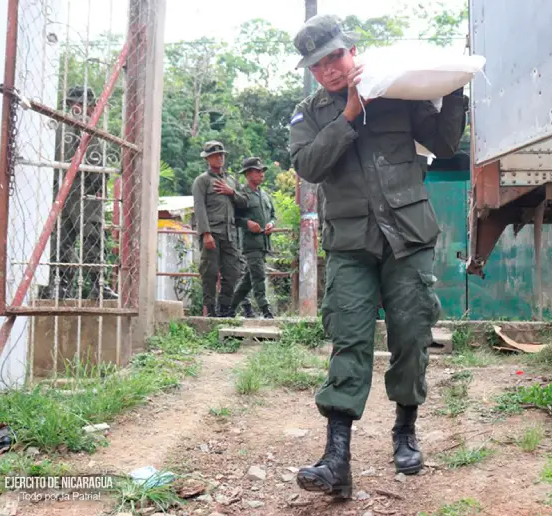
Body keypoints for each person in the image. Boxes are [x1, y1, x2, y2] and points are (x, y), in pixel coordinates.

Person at [288, 14, 467, 498]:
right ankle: (336, 459)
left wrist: (454, 90)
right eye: (318, 64)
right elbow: (309, 165)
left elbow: (445, 143)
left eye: (334, 57)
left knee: (411, 337)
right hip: (351, 246)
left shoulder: (394, 94)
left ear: (351, 51)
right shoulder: (308, 114)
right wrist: (348, 113)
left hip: (407, 238)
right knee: (349, 341)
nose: (328, 69)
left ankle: (405, 431)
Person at [40, 85, 118, 300]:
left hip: (61, 190)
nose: (94, 109)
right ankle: (97, 285)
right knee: (92, 236)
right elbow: (94, 157)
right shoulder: (83, 124)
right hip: (84, 190)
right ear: (82, 105)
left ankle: (59, 285)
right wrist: (98, 183)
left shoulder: (57, 124)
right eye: (91, 105)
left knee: (62, 239)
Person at [191, 141, 248, 317]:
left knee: (232, 272)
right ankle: (210, 311)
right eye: (215, 155)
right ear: (207, 158)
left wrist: (231, 192)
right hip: (212, 233)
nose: (220, 158)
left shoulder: (230, 181)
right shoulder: (202, 181)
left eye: (221, 154)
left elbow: (245, 203)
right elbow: (199, 208)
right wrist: (206, 234)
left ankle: (225, 309)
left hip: (230, 235)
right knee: (210, 272)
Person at [226, 157, 277, 319]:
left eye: (262, 171)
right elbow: (234, 217)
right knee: (259, 276)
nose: (261, 174)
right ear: (248, 174)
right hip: (251, 244)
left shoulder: (265, 195)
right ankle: (266, 310)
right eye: (257, 171)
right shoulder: (242, 195)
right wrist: (247, 223)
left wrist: (271, 224)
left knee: (248, 280)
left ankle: (230, 309)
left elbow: (273, 215)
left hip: (264, 244)